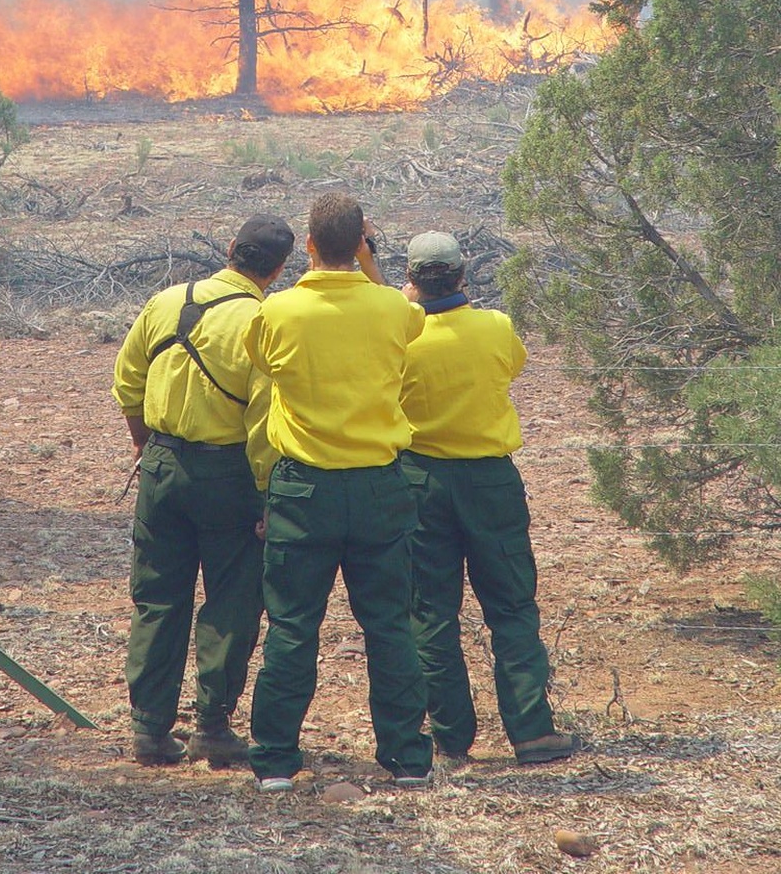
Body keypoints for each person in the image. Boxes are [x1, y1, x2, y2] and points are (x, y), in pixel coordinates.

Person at [243, 192, 434, 792]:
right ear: (359, 244)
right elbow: (410, 314)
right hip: (380, 486)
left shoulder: (275, 313)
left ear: (306, 245)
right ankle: (407, 758)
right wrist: (370, 261)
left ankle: (274, 758)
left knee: (293, 626)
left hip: (303, 489)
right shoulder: (392, 311)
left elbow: (262, 362)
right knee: (390, 627)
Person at [112, 214, 295, 767]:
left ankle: (149, 729)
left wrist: (147, 445)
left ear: (230, 249)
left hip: (162, 467)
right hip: (230, 475)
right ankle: (212, 728)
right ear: (281, 268)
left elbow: (127, 381)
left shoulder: (167, 300)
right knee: (233, 600)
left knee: (158, 598)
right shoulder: (263, 319)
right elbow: (265, 419)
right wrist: (266, 495)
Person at [398, 230, 580, 765]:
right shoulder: (495, 328)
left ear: (411, 279)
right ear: (461, 274)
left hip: (420, 481)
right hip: (489, 482)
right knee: (512, 607)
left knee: (430, 611)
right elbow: (511, 367)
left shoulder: (399, 337)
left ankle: (451, 736)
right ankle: (530, 731)